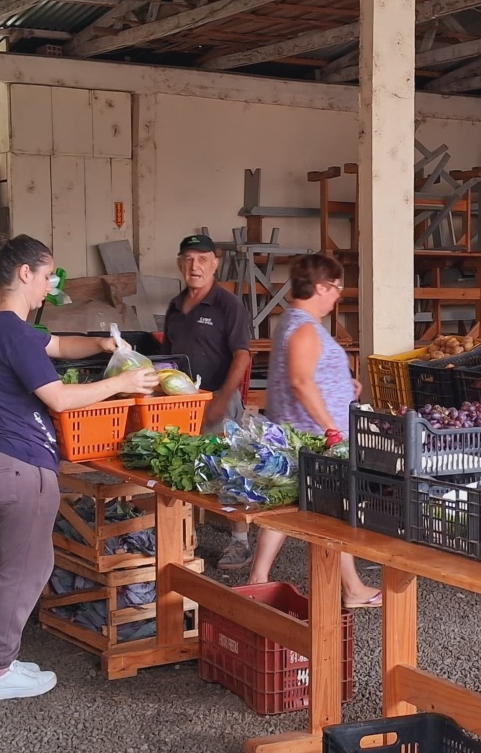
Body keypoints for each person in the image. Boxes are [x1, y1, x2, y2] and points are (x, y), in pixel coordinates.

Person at [0, 234, 158, 699]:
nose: (51, 285)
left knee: (25, 565)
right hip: (20, 466)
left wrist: (102, 344)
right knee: (24, 572)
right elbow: (58, 397)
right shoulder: (14, 332)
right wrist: (122, 384)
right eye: (47, 275)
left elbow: (55, 345)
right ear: (24, 273)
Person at [247, 254, 380, 606]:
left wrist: (343, 384)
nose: (338, 295)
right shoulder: (304, 327)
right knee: (334, 513)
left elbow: (308, 373)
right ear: (321, 287)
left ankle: (258, 581)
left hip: (298, 434)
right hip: (313, 437)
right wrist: (331, 428)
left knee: (290, 510)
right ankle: (351, 589)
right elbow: (301, 381)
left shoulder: (292, 321)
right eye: (336, 287)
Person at [163, 232, 255, 571]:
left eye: (202, 260)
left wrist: (223, 398)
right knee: (185, 467)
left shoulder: (228, 305)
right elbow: (169, 357)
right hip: (183, 403)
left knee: (230, 469)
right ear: (179, 264)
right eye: (188, 260)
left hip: (219, 399)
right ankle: (183, 537)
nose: (195, 266)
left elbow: (242, 356)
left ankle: (240, 542)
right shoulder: (175, 307)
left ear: (215, 264)